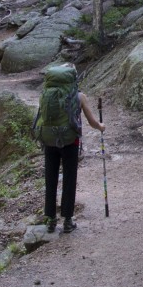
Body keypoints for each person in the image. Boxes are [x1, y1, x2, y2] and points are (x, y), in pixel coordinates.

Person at [44, 90, 105, 234]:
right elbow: (91, 122)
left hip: (50, 141)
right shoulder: (79, 96)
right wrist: (101, 127)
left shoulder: (47, 93)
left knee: (50, 179)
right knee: (69, 179)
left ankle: (51, 220)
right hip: (70, 142)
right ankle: (67, 221)